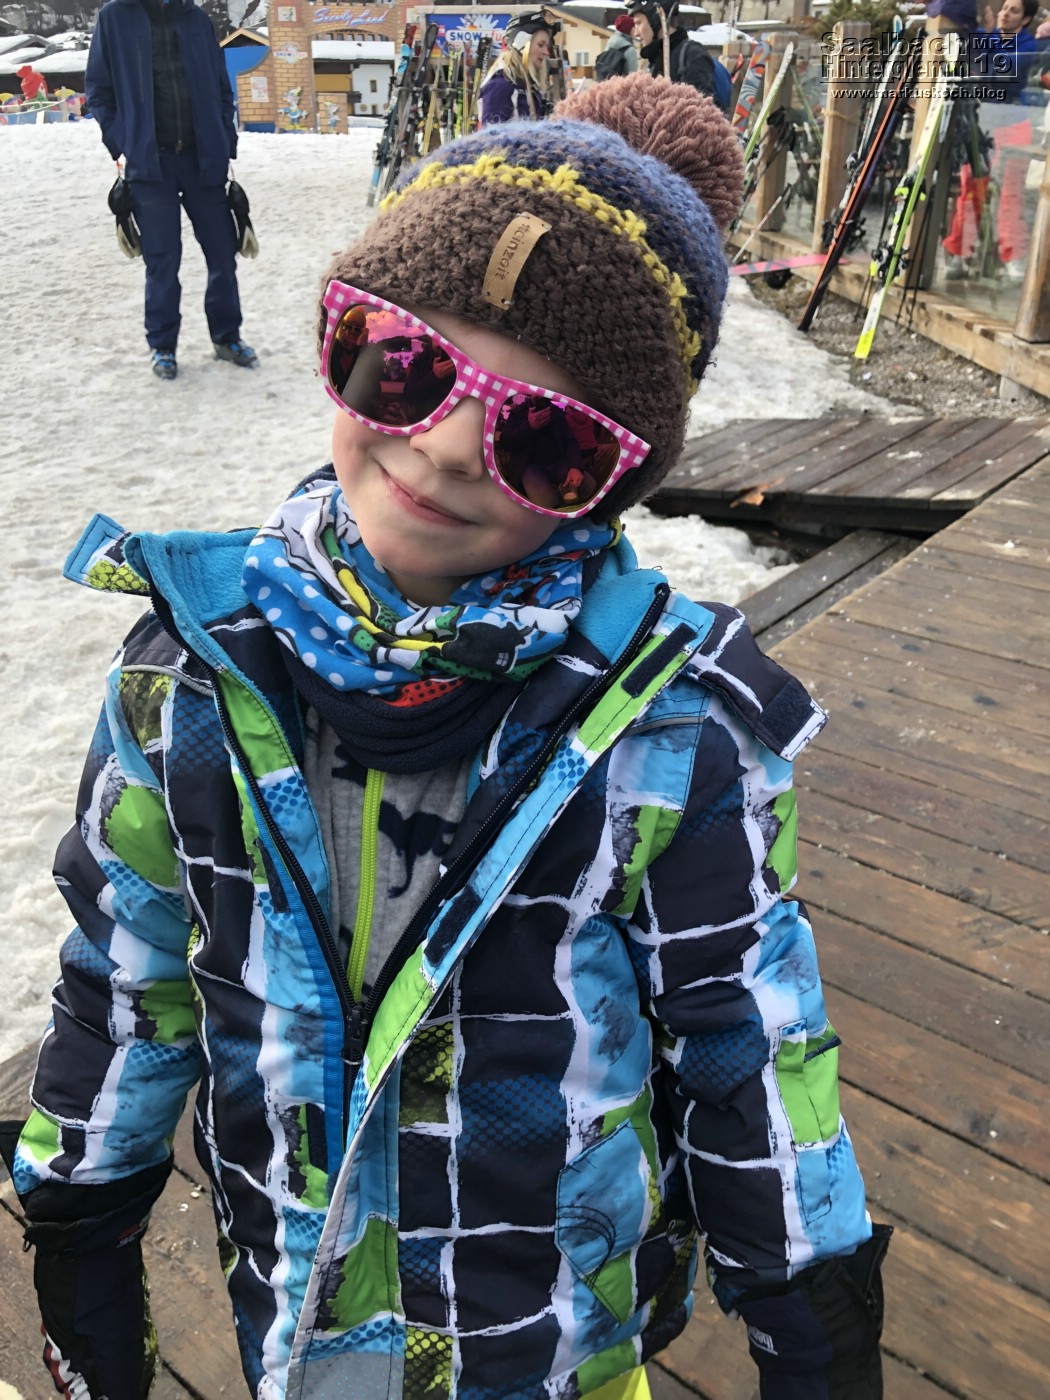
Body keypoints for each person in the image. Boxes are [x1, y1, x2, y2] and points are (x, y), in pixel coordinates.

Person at [0, 73, 890, 1400]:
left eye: (548, 440)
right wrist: (82, 1202)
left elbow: (750, 1050)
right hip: (292, 1321)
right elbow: (130, 973)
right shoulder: (187, 674)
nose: (452, 445)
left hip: (553, 1344)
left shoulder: (673, 731)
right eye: (402, 364)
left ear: (609, 486)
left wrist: (811, 1316)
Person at [85, 0, 257, 381]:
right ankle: (162, 345)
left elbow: (221, 87)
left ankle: (227, 337)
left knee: (222, 254)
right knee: (162, 261)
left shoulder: (196, 19)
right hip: (151, 165)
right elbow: (98, 90)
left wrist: (224, 138)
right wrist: (123, 141)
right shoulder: (114, 18)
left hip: (203, 160)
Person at [942, 0, 1040, 280]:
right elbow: (969, 65)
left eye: (1014, 10)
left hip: (1013, 123)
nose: (1004, 14)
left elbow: (1001, 71)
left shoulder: (1029, 45)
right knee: (970, 190)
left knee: (1011, 193)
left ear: (1025, 19)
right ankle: (960, 253)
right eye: (1004, 8)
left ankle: (1013, 255)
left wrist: (983, 43)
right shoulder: (987, 36)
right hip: (980, 122)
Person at [626, 0, 729, 110]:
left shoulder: (691, 55)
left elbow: (705, 112)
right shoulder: (655, 60)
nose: (636, 33)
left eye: (638, 23)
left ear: (656, 19)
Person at [479, 9, 559, 123]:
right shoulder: (500, 86)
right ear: (521, 43)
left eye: (547, 46)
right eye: (541, 45)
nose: (546, 52)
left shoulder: (527, 86)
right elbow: (492, 133)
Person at [595, 13, 640, 81]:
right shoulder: (630, 50)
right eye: (634, 27)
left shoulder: (608, 46)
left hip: (606, 86)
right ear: (630, 29)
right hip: (622, 87)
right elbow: (632, 77)